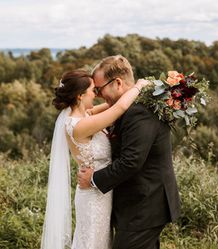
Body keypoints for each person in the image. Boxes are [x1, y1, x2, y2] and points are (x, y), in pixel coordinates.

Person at [78, 55, 181, 249]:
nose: (99, 95)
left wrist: (93, 179)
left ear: (117, 83)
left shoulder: (139, 111)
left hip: (145, 204)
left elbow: (131, 161)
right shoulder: (128, 106)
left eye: (99, 89)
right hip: (137, 204)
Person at [40, 68, 148, 249]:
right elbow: (119, 108)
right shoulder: (79, 125)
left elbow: (115, 103)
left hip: (100, 190)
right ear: (80, 96)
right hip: (93, 196)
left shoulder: (86, 115)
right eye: (92, 90)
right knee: (92, 243)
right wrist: (139, 86)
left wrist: (128, 91)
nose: (96, 94)